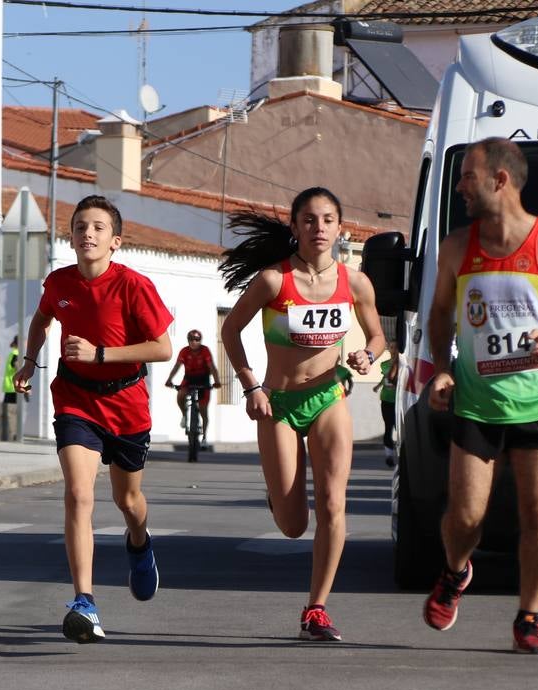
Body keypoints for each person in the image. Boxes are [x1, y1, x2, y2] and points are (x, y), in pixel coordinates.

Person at [422, 137, 538, 654]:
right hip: (478, 402)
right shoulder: (458, 246)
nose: (460, 186)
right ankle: (455, 572)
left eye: (468, 176)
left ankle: (529, 618)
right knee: (465, 517)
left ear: (499, 181)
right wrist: (442, 370)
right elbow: (440, 314)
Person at [218, 188, 385, 641]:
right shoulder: (274, 281)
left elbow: (377, 336)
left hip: (329, 397)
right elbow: (231, 330)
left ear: (339, 227)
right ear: (294, 227)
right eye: (309, 220)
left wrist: (368, 356)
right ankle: (280, 494)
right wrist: (251, 383)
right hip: (279, 404)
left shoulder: (356, 283)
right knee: (293, 526)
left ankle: (317, 608)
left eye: (328, 220)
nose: (319, 228)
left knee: (333, 503)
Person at [15, 195, 172, 644]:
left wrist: (102, 354)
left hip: (125, 403)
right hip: (75, 399)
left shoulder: (133, 286)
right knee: (79, 493)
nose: (88, 233)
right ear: (71, 236)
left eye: (98, 227)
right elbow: (42, 319)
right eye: (81, 226)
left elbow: (163, 348)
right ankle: (84, 600)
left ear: (115, 241)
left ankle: (140, 540)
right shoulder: (59, 281)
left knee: (128, 501)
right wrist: (29, 360)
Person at [164, 329, 222, 444]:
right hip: (189, 379)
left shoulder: (205, 351)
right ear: (188, 340)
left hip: (203, 379)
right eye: (191, 339)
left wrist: (216, 381)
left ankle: (204, 437)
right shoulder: (184, 351)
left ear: (200, 341)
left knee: (203, 411)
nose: (194, 342)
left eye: (197, 339)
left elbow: (212, 367)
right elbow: (177, 366)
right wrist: (169, 380)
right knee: (180, 394)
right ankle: (185, 415)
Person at [375, 339, 399, 467]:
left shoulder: (403, 364)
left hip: (399, 400)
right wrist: (378, 386)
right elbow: (385, 378)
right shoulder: (384, 364)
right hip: (386, 399)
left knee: (400, 428)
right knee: (388, 427)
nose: (393, 349)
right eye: (391, 347)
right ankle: (389, 455)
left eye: (395, 347)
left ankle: (402, 454)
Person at [3, 335, 19, 404]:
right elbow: (17, 368)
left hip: (9, 386)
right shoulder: (16, 354)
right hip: (14, 387)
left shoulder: (12, 353)